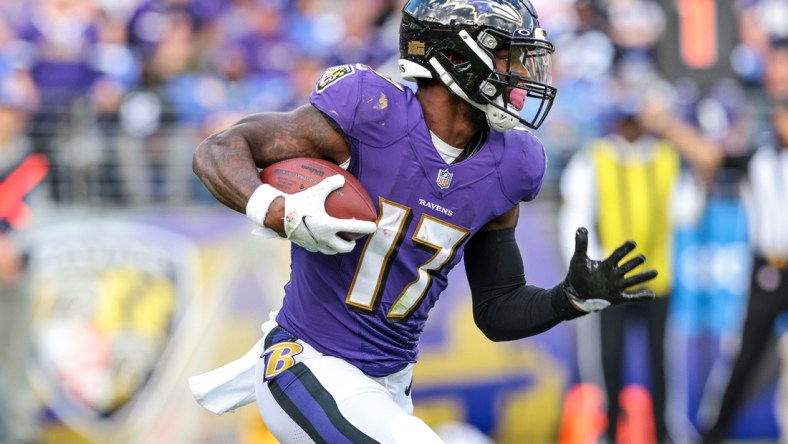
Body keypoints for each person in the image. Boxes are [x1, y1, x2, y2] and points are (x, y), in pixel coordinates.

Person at [188, 1, 658, 442]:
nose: (520, 76)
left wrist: (569, 299)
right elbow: (220, 149)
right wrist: (280, 211)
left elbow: (497, 307)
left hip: (389, 385)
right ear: (454, 56)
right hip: (305, 359)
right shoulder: (371, 111)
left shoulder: (510, 163)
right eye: (507, 57)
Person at [559, 74, 680, 443]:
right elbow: (576, 217)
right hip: (610, 280)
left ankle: (662, 430)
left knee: (660, 360)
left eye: (634, 120)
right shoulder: (595, 158)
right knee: (609, 356)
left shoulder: (664, 156)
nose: (630, 128)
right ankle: (610, 427)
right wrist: (586, 272)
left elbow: (683, 209)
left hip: (656, 276)